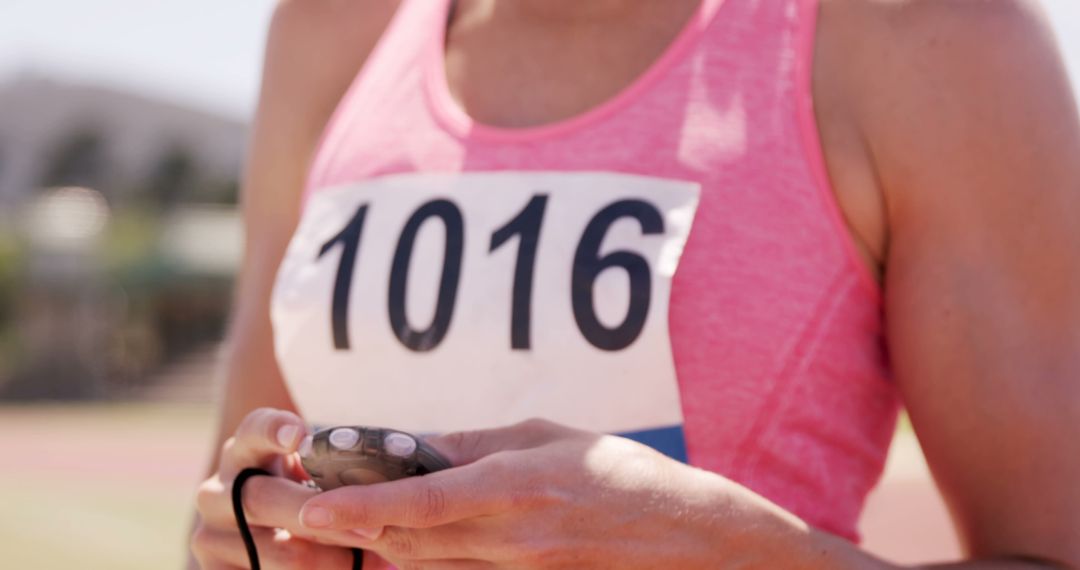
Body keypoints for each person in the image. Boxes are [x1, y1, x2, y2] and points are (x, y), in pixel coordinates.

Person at [188, 0, 1080, 568]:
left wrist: (734, 558)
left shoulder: (933, 35)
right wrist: (245, 530)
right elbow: (235, 509)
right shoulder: (329, 30)